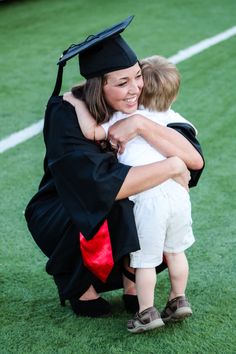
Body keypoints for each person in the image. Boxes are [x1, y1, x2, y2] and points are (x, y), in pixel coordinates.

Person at [25, 16, 204, 320]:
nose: (135, 88)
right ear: (98, 86)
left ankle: (132, 280)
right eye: (122, 83)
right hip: (65, 208)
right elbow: (100, 186)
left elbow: (195, 161)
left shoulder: (141, 105)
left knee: (155, 204)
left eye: (137, 76)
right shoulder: (66, 114)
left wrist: (140, 125)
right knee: (123, 201)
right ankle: (80, 284)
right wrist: (171, 165)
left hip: (120, 196)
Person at [64, 54, 204, 333]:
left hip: (149, 199)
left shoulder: (123, 117)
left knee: (145, 262)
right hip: (178, 195)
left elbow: (92, 132)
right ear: (172, 97)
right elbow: (192, 155)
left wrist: (75, 101)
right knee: (176, 252)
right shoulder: (176, 120)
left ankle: (146, 312)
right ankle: (178, 299)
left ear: (140, 92)